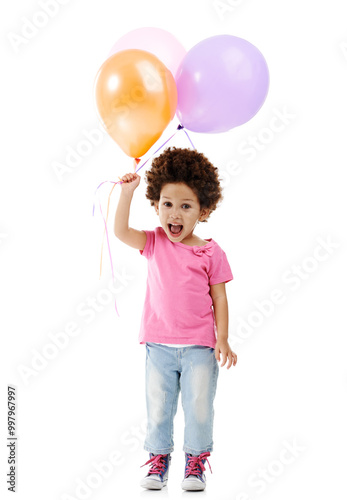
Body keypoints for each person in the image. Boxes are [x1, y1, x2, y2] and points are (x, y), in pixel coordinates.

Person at [114, 147, 237, 491]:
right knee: (159, 405)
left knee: (199, 406)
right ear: (156, 205)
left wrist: (223, 338)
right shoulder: (153, 242)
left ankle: (195, 462)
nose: (175, 214)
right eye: (167, 204)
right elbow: (122, 231)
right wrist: (127, 193)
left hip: (200, 347)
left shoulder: (211, 252)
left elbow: (220, 297)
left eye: (186, 206)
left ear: (204, 209)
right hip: (159, 346)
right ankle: (158, 458)